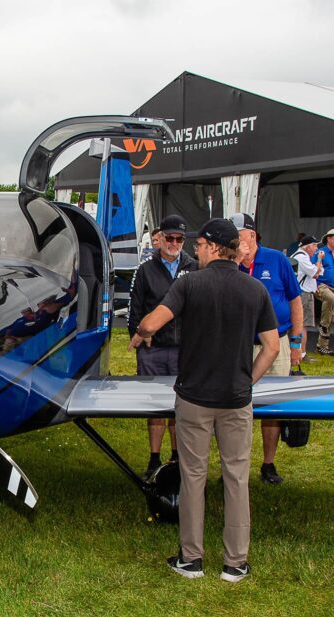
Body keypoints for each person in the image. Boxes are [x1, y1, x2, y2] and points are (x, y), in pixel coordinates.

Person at [130, 218, 279, 583]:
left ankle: (191, 559)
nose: (193, 249)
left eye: (198, 245)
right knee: (236, 477)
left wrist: (143, 326)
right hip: (236, 397)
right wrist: (247, 380)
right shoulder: (254, 289)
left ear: (213, 247)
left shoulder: (189, 284)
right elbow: (272, 347)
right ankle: (235, 563)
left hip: (194, 397)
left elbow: (150, 326)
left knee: (193, 476)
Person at [126, 214, 198, 479]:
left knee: (182, 407)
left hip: (184, 350)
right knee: (155, 407)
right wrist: (139, 333)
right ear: (160, 239)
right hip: (154, 349)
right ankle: (154, 458)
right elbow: (134, 308)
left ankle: (177, 457)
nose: (175, 243)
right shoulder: (145, 269)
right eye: (170, 238)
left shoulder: (194, 266)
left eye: (180, 239)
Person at [233, 213, 302, 485]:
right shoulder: (229, 263)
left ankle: (268, 463)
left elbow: (295, 301)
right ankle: (237, 465)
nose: (235, 240)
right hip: (240, 344)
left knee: (273, 406)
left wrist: (296, 343)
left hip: (277, 342)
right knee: (239, 407)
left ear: (252, 235)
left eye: (239, 235)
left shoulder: (277, 260)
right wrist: (237, 260)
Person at [289, 235, 322, 356]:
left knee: (299, 323)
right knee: (302, 324)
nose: (316, 249)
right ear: (307, 247)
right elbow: (315, 273)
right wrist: (319, 260)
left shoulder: (299, 257)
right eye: (314, 245)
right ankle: (301, 353)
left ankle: (298, 350)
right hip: (304, 294)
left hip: (302, 292)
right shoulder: (302, 258)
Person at [314, 228, 334, 355]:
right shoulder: (320, 252)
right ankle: (323, 327)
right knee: (330, 298)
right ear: (328, 238)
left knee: (332, 316)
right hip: (322, 285)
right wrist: (314, 284)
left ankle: (322, 345)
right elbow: (313, 269)